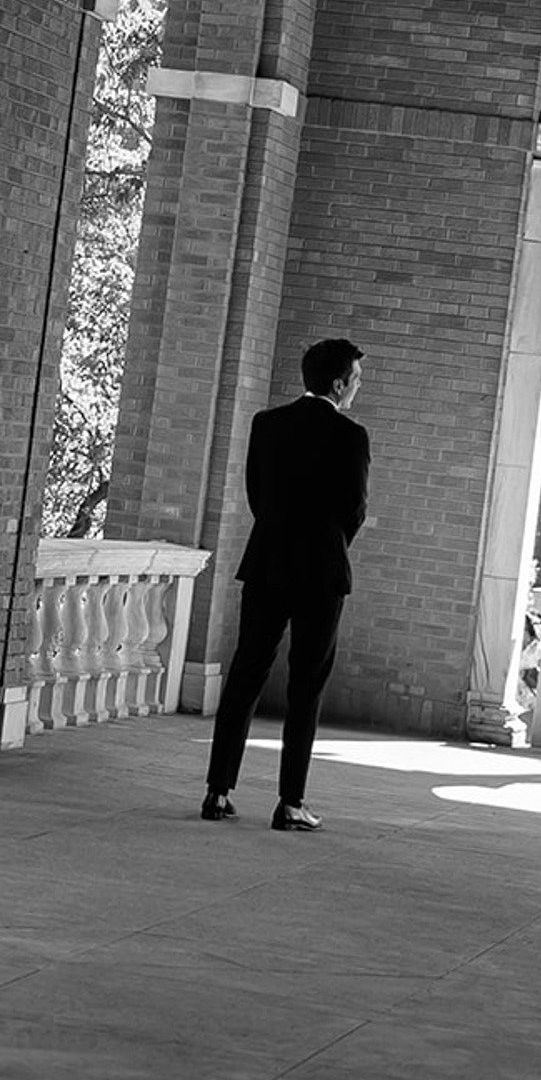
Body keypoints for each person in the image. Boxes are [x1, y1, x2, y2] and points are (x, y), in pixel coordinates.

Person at [202, 336, 369, 832]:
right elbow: (354, 510)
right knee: (306, 686)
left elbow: (257, 494)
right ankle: (290, 803)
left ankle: (217, 792)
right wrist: (329, 544)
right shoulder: (351, 436)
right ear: (338, 384)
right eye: (356, 382)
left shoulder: (265, 424)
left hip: (267, 563)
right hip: (322, 571)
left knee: (244, 676)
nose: (357, 391)